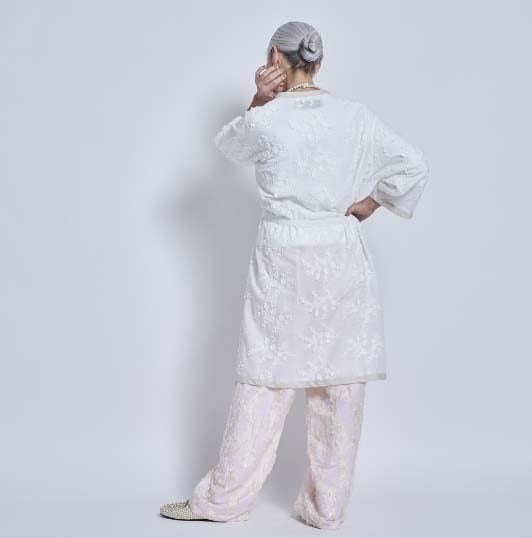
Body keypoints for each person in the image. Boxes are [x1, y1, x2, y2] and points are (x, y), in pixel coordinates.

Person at [159, 20, 429, 530]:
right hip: (340, 254)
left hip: (282, 256)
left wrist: (258, 100)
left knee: (265, 379)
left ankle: (222, 503)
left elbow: (230, 148)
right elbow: (413, 164)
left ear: (273, 57)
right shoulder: (356, 116)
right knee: (338, 385)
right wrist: (372, 202)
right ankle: (326, 509)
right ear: (319, 61)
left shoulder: (266, 120)